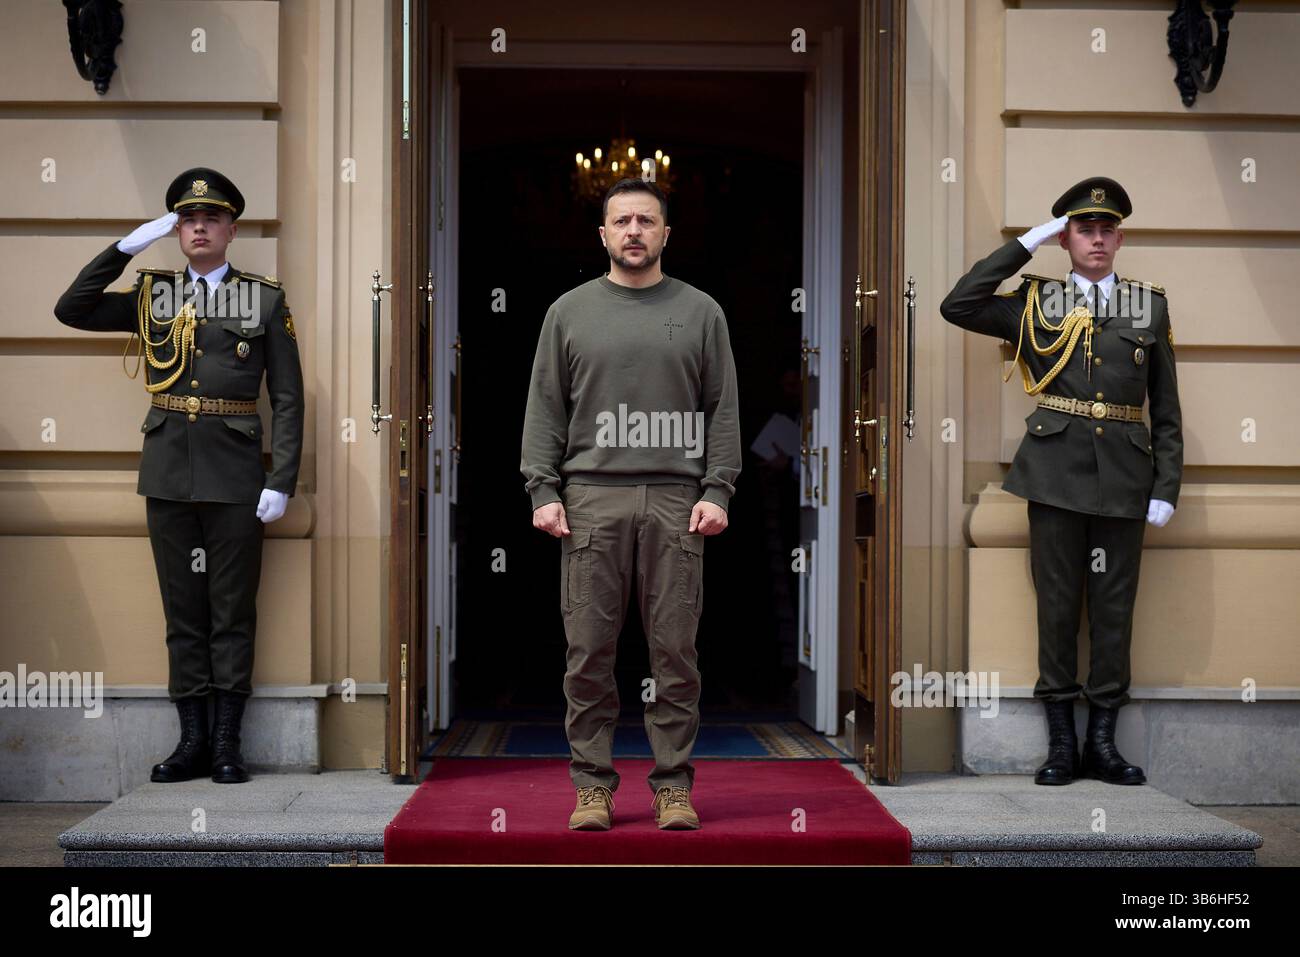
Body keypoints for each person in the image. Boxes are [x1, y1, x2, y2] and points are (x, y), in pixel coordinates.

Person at [53, 167, 305, 784]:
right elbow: (71, 309)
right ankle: (189, 740)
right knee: (182, 612)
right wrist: (126, 247)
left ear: (230, 229)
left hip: (238, 479)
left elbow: (290, 398)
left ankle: (225, 744)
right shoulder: (153, 294)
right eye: (187, 219)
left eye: (211, 218)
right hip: (167, 475)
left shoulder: (265, 299)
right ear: (175, 228)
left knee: (231, 611)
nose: (199, 226)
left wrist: (282, 478)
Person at [939, 176, 1182, 786]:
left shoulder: (1148, 305)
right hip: (1052, 477)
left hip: (1127, 479)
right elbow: (959, 304)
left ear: (1120, 239)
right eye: (1083, 229)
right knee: (1056, 607)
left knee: (1113, 608)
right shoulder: (1034, 301)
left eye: (1106, 231)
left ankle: (1102, 744)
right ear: (1066, 237)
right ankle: (1061, 747)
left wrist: (1165, 486)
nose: (1096, 240)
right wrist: (1026, 244)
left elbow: (1167, 407)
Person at [521, 177, 741, 829]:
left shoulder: (702, 311)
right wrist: (543, 488)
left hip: (677, 502)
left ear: (666, 233)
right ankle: (593, 786)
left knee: (675, 654)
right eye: (622, 221)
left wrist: (717, 487)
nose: (635, 230)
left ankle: (672, 786)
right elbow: (544, 406)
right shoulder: (568, 311)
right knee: (588, 652)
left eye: (647, 220)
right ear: (604, 234)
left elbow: (722, 407)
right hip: (590, 500)